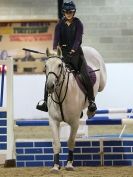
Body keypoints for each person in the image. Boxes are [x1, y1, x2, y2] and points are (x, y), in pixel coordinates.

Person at [36, 1, 97, 114]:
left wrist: (73, 49)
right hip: (62, 55)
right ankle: (45, 101)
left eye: (70, 12)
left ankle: (91, 101)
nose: (68, 14)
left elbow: (78, 39)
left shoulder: (78, 24)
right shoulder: (59, 24)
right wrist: (55, 50)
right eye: (66, 12)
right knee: (51, 75)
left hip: (77, 55)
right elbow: (56, 39)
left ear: (74, 12)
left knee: (85, 75)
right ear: (64, 12)